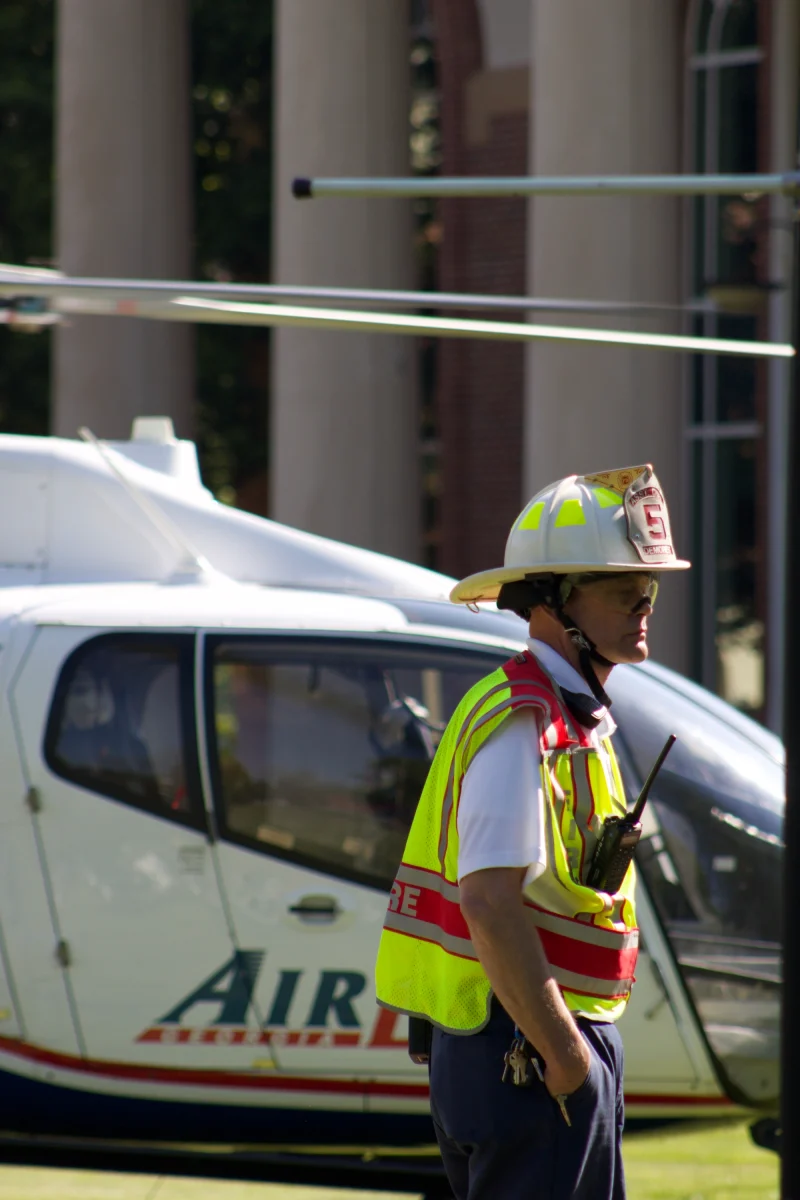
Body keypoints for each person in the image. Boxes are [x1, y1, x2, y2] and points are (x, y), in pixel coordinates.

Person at [374, 465, 690, 1200]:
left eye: (649, 588)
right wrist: (566, 1055)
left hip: (528, 1046)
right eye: (622, 589)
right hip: (526, 1052)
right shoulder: (525, 720)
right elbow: (487, 902)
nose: (644, 605)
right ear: (552, 599)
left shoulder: (565, 716)